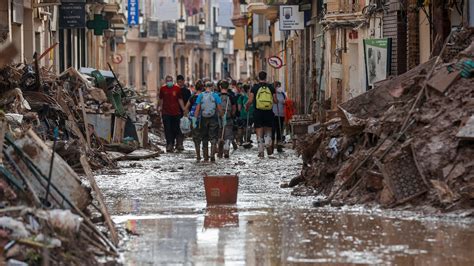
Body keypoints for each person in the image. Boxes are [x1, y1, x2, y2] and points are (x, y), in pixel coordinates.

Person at [245, 71, 277, 158]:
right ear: (266, 77)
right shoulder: (271, 87)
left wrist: (246, 106)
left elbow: (250, 100)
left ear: (258, 78)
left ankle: (261, 151)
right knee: (268, 129)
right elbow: (275, 101)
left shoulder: (255, 87)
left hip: (258, 112)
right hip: (268, 112)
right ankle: (267, 142)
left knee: (259, 131)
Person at [194, 81, 223, 162]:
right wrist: (222, 117)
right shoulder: (215, 95)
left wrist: (194, 120)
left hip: (203, 118)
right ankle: (212, 155)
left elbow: (197, 109)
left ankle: (206, 157)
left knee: (204, 137)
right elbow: (219, 108)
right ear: (212, 87)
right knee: (213, 137)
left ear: (205, 87)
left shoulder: (200, 95)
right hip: (213, 118)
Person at [158, 75, 187, 153]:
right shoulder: (163, 89)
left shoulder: (177, 89)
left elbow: (180, 99)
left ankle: (174, 143)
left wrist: (184, 108)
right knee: (167, 129)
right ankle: (169, 144)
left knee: (175, 129)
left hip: (176, 112)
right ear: (165, 81)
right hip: (166, 112)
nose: (169, 82)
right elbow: (161, 99)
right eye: (168, 81)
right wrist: (160, 107)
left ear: (173, 81)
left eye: (170, 80)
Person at [217, 80, 237, 159]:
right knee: (228, 135)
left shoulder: (217, 96)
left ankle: (220, 152)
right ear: (228, 87)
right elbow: (234, 108)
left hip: (218, 118)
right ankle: (226, 150)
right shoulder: (231, 96)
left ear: (220, 87)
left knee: (219, 135)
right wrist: (232, 114)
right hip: (228, 117)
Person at [175, 74, 191, 151]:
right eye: (178, 82)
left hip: (183, 112)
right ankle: (176, 143)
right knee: (175, 128)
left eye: (181, 82)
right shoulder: (174, 90)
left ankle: (180, 143)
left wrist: (187, 111)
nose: (179, 83)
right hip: (175, 111)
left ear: (183, 82)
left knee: (182, 128)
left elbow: (189, 101)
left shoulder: (187, 91)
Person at [272, 81, 286, 153]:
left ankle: (279, 146)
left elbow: (285, 101)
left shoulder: (282, 94)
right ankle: (271, 146)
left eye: (279, 86)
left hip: (281, 114)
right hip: (273, 114)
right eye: (277, 86)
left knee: (279, 131)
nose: (279, 87)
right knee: (273, 130)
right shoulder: (271, 94)